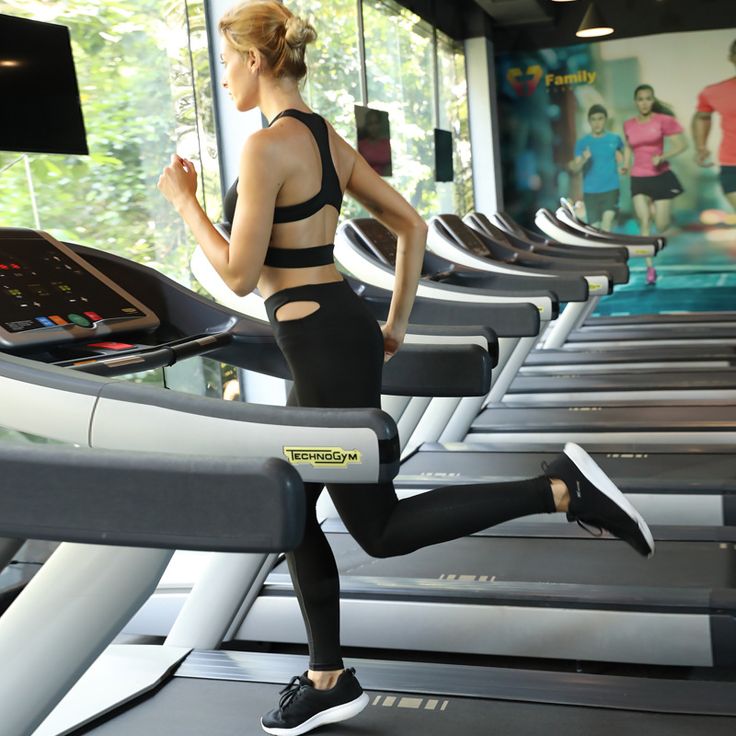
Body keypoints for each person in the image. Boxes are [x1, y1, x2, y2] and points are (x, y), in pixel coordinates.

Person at [157, 3, 654, 734]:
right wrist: (390, 323)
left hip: (323, 348)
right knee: (302, 509)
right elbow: (410, 226)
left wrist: (186, 205)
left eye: (227, 61)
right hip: (338, 333)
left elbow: (237, 273)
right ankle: (328, 675)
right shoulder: (324, 138)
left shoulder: (267, 149)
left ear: (255, 61)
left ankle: (559, 489)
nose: (225, 74)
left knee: (361, 524)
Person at [622, 84, 688, 285]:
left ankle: (653, 208)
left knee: (661, 225)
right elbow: (627, 146)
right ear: (636, 102)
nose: (644, 103)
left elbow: (682, 145)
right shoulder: (628, 124)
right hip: (638, 177)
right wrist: (625, 165)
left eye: (648, 98)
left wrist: (663, 156)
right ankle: (650, 268)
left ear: (653, 100)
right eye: (640, 99)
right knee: (643, 223)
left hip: (660, 176)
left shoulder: (663, 121)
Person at [692, 38, 736, 211]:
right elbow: (702, 116)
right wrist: (701, 147)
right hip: (732, 166)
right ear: (732, 58)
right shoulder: (714, 92)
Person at [568, 104, 624, 231]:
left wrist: (623, 166)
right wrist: (584, 158)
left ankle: (609, 250)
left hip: (611, 189)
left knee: (607, 224)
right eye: (593, 119)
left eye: (600, 119)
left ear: (605, 120)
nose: (597, 123)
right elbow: (575, 168)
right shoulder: (582, 143)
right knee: (595, 229)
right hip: (591, 192)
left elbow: (623, 155)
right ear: (589, 121)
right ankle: (604, 250)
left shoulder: (615, 139)